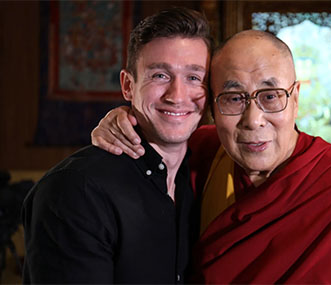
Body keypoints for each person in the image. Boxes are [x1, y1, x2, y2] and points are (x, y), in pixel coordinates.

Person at [92, 30, 331, 283]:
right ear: (212, 107)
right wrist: (125, 120)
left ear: (296, 98)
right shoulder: (202, 152)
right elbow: (159, 133)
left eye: (270, 96)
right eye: (234, 99)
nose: (253, 120)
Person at [21, 8, 212, 284]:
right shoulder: (76, 190)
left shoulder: (204, 170)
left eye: (194, 78)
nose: (177, 96)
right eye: (160, 75)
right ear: (127, 86)